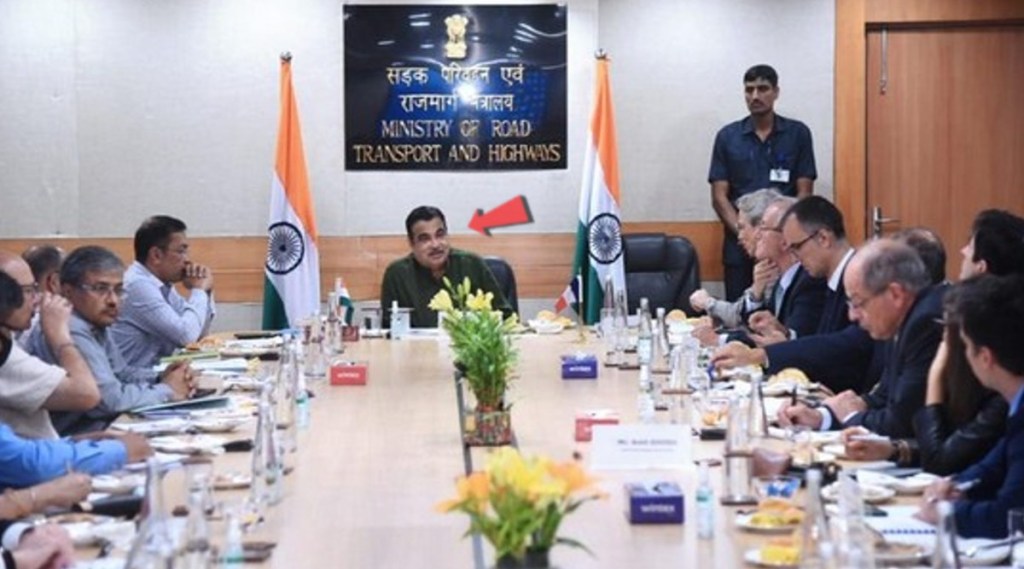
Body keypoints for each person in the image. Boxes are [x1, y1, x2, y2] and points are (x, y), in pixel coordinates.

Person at [843, 218, 1023, 473]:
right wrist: (895, 449)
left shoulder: (928, 320)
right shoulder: (913, 317)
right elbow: (970, 457)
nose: (852, 315)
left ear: (985, 355)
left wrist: (936, 375)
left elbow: (943, 457)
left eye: (858, 303)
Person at [777, 239, 944, 438]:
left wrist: (849, 417)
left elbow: (900, 422)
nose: (852, 316)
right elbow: (882, 398)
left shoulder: (925, 324)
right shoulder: (901, 318)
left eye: (857, 303)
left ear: (895, 294)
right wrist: (822, 417)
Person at [711, 196, 875, 393]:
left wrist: (761, 355)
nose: (794, 255)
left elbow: (850, 343)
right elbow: (822, 342)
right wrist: (785, 336)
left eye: (797, 246)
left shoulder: (860, 277)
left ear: (823, 238)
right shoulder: (833, 278)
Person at [28, 246, 193, 435]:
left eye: (119, 290)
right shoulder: (69, 327)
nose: (113, 300)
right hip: (72, 438)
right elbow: (109, 401)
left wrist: (161, 377)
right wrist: (167, 390)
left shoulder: (93, 320)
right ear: (68, 291)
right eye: (100, 289)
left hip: (99, 429)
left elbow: (121, 373)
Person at [917, 274, 1024, 538]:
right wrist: (955, 484)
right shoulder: (1016, 404)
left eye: (965, 346)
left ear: (985, 357)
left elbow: (1009, 516)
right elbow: (994, 465)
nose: (963, 354)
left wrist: (946, 513)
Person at [708, 64, 816, 301]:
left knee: (783, 310)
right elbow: (719, 197)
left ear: (776, 92)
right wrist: (747, 234)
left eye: (763, 89)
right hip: (739, 247)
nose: (755, 96)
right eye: (749, 90)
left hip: (784, 245)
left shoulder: (798, 134)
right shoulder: (728, 137)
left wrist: (781, 234)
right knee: (740, 311)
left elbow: (804, 194)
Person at [0, 257, 99, 439]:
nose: (37, 299)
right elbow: (86, 395)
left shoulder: (10, 336)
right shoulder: (3, 353)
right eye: (27, 291)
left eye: (35, 288)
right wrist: (59, 335)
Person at [380, 206, 512, 328]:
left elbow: (505, 316)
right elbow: (388, 329)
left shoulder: (472, 265)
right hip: (417, 346)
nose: (435, 244)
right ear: (411, 243)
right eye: (425, 239)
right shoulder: (397, 275)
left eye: (440, 235)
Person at [111, 215, 216, 367]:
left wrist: (206, 292)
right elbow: (186, 336)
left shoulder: (162, 284)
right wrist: (198, 290)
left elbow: (198, 334)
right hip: (131, 377)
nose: (187, 260)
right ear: (156, 255)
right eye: (181, 251)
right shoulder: (137, 285)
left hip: (154, 373)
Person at [734, 195, 826, 345]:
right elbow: (758, 329)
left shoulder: (810, 282)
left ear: (785, 240)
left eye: (763, 228)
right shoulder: (781, 278)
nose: (758, 235)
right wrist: (756, 297)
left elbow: (797, 343)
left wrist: (721, 339)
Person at [689, 188, 781, 330]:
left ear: (761, 229)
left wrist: (708, 303)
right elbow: (742, 313)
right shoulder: (766, 265)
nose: (739, 236)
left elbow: (742, 320)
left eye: (742, 228)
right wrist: (755, 295)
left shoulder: (780, 267)